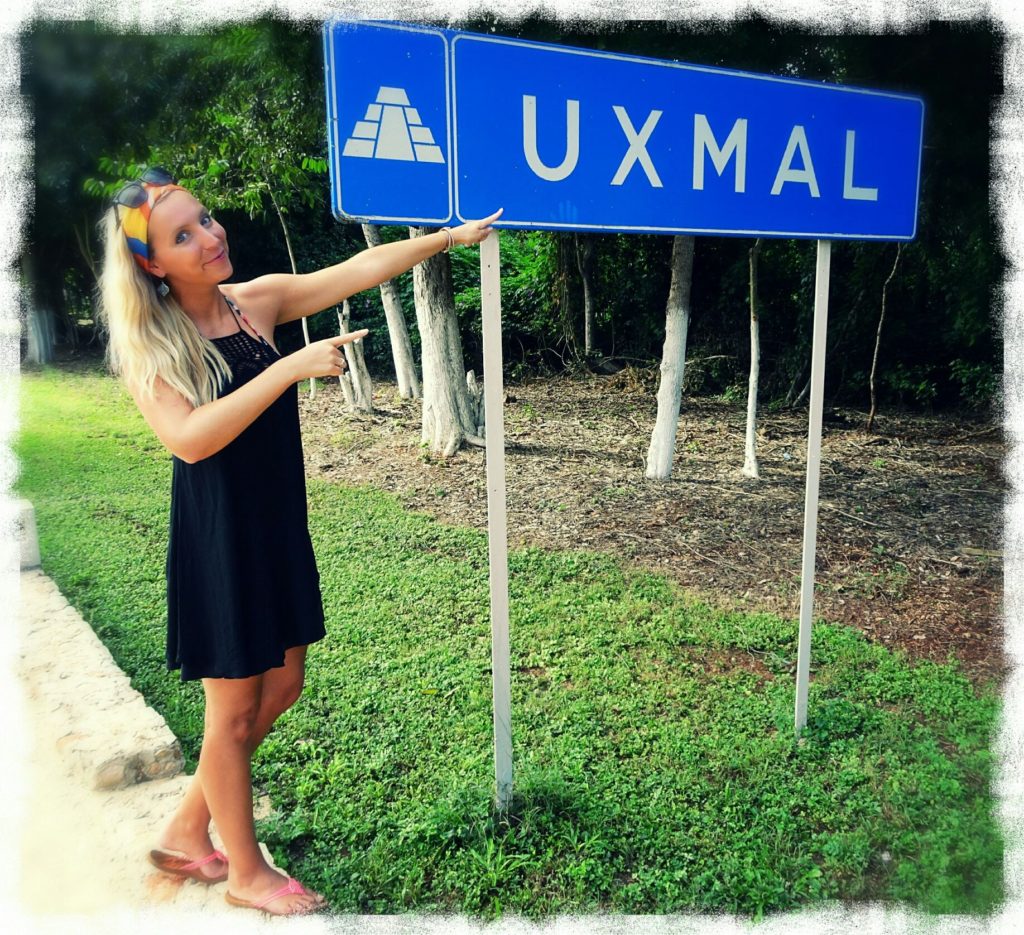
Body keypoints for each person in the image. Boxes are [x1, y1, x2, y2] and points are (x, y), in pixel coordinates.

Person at [97, 166, 501, 916]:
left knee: (282, 688)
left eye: (206, 219)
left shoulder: (256, 303)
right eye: (182, 235)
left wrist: (449, 236)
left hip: (277, 524)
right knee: (231, 715)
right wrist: (288, 368)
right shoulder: (153, 345)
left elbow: (351, 270)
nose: (209, 237)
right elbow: (189, 440)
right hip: (220, 540)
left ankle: (190, 824)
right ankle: (245, 873)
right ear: (151, 263)